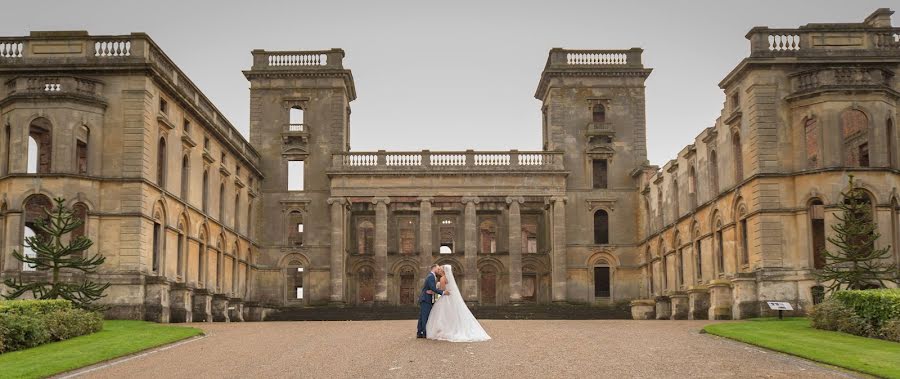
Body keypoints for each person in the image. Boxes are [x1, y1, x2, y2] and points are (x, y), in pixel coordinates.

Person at [425, 264, 491, 342]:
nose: (438, 271)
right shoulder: (449, 278)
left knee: (443, 315)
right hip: (450, 297)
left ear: (443, 271)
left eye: (439, 270)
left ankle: (443, 330)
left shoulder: (443, 278)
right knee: (451, 314)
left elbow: (442, 290)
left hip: (445, 298)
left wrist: (437, 286)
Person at [417, 264, 448, 338]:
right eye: (438, 269)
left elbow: (431, 288)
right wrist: (443, 293)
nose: (438, 270)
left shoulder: (431, 276)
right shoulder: (431, 276)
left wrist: (433, 291)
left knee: (422, 316)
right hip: (426, 298)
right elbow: (432, 288)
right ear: (434, 268)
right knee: (425, 316)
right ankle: (424, 333)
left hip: (426, 298)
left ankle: (420, 332)